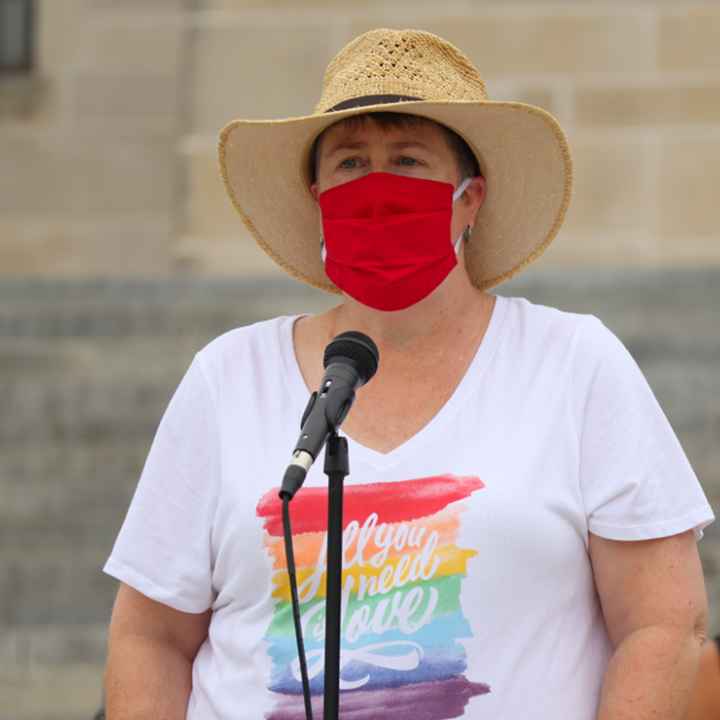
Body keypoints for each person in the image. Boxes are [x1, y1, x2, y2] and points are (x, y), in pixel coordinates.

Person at [102, 28, 716, 719]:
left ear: (469, 198)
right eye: (350, 163)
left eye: (408, 160)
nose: (377, 185)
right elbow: (149, 637)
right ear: (316, 196)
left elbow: (663, 627)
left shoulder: (574, 365)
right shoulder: (226, 379)